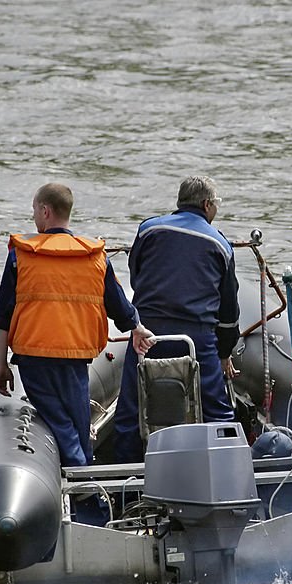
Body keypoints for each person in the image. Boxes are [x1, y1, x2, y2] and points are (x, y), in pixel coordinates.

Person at [0, 183, 155, 468]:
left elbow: (2, 316)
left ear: (45, 211)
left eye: (34, 210)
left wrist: (1, 365)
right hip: (76, 359)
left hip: (34, 359)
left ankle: (83, 480)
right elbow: (119, 305)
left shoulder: (21, 255)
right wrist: (137, 328)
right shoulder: (94, 256)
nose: (33, 217)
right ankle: (87, 490)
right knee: (77, 427)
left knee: (60, 424)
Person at [114, 175, 241, 463]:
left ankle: (125, 475)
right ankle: (228, 468)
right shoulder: (219, 243)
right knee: (217, 409)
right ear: (207, 205)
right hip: (196, 336)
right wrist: (225, 352)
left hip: (147, 331)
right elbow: (229, 310)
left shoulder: (148, 229)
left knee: (131, 406)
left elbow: (137, 273)